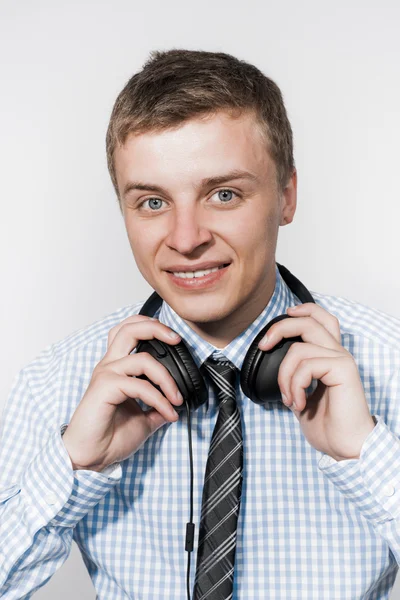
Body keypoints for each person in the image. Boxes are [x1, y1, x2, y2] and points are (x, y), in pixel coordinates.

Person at [1, 48, 399, 600]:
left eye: (224, 194)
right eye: (152, 202)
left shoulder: (389, 365)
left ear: (286, 196)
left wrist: (367, 456)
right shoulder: (55, 384)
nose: (186, 239)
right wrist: (73, 464)